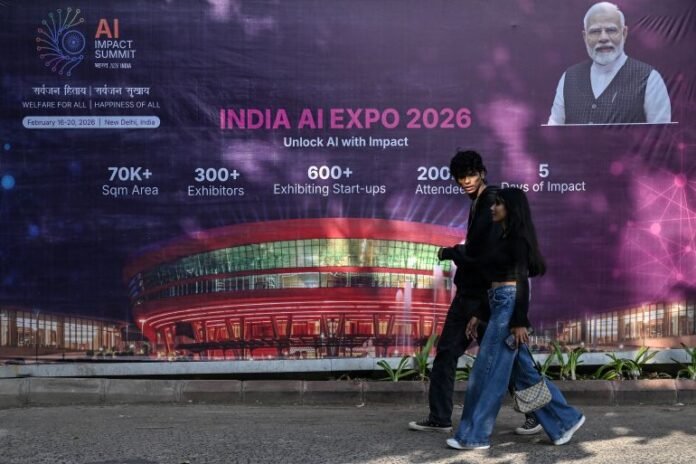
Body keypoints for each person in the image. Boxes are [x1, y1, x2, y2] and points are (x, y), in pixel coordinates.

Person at [443, 188, 585, 450]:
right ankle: (564, 421)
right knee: (524, 375)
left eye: (498, 204)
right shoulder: (503, 237)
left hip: (508, 309)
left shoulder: (517, 240)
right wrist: (480, 314)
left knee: (486, 373)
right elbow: (490, 278)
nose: (493, 208)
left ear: (511, 209)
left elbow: (520, 284)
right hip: (498, 304)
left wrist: (519, 322)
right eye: (493, 204)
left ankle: (474, 436)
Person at [408, 150, 539, 436]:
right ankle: (440, 417)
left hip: (482, 297)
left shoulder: (490, 202)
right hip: (474, 295)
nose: (466, 181)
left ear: (482, 173)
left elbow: (484, 256)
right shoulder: (480, 203)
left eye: (470, 175)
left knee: (514, 361)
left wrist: (451, 252)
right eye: (461, 177)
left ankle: (542, 414)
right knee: (451, 353)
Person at [547, 1, 671, 125]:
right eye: (595, 32)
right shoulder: (569, 78)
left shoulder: (650, 79)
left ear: (624, 33)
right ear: (585, 37)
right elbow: (553, 129)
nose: (603, 38)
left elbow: (661, 135)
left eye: (611, 30)